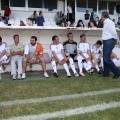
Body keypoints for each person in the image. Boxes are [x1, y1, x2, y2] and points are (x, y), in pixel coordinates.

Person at [101, 11, 120, 78]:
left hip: (109, 41)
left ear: (103, 16)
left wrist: (116, 40)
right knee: (105, 58)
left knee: (106, 58)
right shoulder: (106, 22)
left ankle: (117, 72)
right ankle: (106, 73)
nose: (101, 17)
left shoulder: (109, 22)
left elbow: (114, 32)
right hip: (106, 41)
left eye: (101, 16)